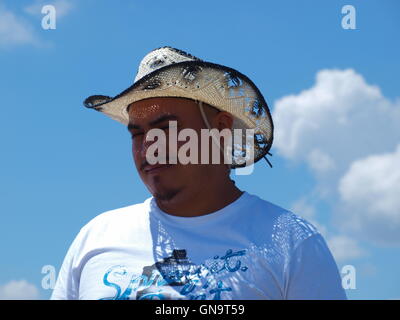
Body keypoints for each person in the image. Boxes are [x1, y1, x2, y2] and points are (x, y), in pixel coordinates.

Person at [51, 46, 346, 300]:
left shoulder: (291, 243)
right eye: (138, 134)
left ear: (220, 128)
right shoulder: (96, 238)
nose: (149, 148)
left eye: (166, 129)